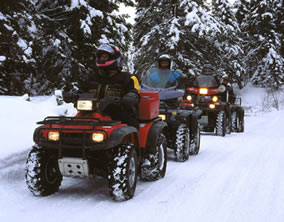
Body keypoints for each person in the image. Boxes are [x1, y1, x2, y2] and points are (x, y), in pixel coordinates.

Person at [79, 43, 140, 128]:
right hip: (91, 112)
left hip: (118, 113)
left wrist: (127, 98)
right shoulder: (92, 77)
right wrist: (73, 95)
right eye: (101, 57)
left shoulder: (127, 77)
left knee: (129, 127)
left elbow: (134, 93)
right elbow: (82, 91)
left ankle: (131, 141)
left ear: (115, 59)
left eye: (106, 57)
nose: (103, 59)